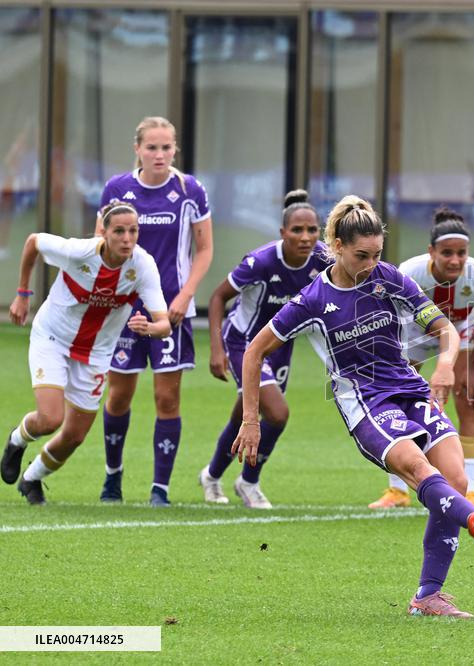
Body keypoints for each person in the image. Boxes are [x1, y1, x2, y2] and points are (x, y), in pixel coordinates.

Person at [231, 195, 474, 618]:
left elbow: (445, 330)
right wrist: (250, 420)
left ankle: (427, 597)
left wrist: (445, 368)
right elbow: (254, 352)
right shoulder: (313, 299)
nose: (370, 263)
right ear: (337, 248)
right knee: (420, 470)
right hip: (364, 401)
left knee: (453, 479)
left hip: (410, 387)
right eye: (361, 255)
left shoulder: (390, 278)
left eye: (377, 254)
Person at [2, 202, 170, 504]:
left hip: (96, 353)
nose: (127, 238)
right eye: (119, 231)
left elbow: (165, 324)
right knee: (51, 418)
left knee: (75, 436)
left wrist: (150, 327)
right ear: (103, 233)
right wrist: (23, 294)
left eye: (133, 231)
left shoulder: (142, 266)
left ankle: (32, 478)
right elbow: (32, 243)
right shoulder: (79, 251)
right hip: (53, 338)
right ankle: (17, 440)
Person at [96, 116, 213, 506]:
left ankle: (159, 489)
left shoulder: (189, 190)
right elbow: (100, 242)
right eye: (152, 147)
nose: (160, 154)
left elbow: (204, 248)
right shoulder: (117, 189)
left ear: (175, 149)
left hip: (171, 312)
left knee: (167, 399)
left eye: (167, 147)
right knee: (118, 396)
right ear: (138, 149)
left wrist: (185, 297)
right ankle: (113, 477)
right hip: (124, 311)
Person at [198, 189, 330, 509]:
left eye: (312, 229)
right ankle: (249, 481)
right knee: (277, 412)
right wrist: (216, 350)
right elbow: (217, 298)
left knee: (244, 416)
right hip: (243, 342)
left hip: (279, 347)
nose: (305, 236)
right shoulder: (261, 261)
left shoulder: (324, 260)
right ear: (282, 232)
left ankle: (212, 475)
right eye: (297, 230)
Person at [369, 206, 474, 510]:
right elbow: (385, 309)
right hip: (414, 334)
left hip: (461, 332)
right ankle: (397, 492)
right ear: (431, 251)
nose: (455, 260)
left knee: (469, 399)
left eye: (461, 253)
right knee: (398, 401)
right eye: (447, 252)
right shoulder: (408, 272)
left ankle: (472, 492)